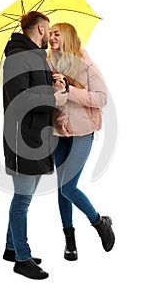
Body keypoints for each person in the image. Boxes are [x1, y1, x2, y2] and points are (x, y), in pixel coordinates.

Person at [2, 12, 67, 279]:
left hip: (36, 138)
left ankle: (10, 248)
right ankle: (22, 257)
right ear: (41, 28)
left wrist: (53, 83)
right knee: (22, 200)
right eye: (48, 30)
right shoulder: (19, 57)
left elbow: (32, 88)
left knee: (24, 197)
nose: (49, 34)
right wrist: (54, 99)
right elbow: (20, 98)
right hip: (22, 140)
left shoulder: (34, 56)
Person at [48, 22, 115, 261]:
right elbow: (51, 103)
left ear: (67, 36)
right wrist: (58, 116)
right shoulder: (47, 65)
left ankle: (99, 222)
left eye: (56, 33)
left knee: (68, 187)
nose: (51, 37)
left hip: (84, 132)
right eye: (50, 33)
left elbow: (101, 98)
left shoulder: (85, 63)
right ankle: (70, 240)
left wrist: (69, 89)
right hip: (60, 133)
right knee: (61, 188)